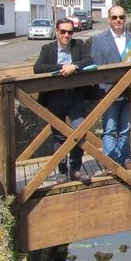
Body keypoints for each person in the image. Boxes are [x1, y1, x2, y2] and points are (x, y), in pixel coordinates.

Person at [33, 17, 94, 182]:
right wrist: (62, 68)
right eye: (63, 32)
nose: (67, 35)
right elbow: (37, 68)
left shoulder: (78, 45)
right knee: (59, 135)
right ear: (57, 32)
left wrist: (74, 66)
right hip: (55, 97)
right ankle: (62, 170)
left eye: (69, 32)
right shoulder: (48, 49)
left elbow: (89, 60)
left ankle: (75, 168)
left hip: (75, 96)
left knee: (80, 130)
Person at [88, 5, 131, 175]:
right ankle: (110, 161)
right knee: (110, 129)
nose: (118, 20)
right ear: (109, 19)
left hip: (129, 91)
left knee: (126, 129)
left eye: (121, 17)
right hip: (108, 92)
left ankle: (125, 158)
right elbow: (95, 67)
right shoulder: (99, 40)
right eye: (115, 17)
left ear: (125, 19)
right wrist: (99, 94)